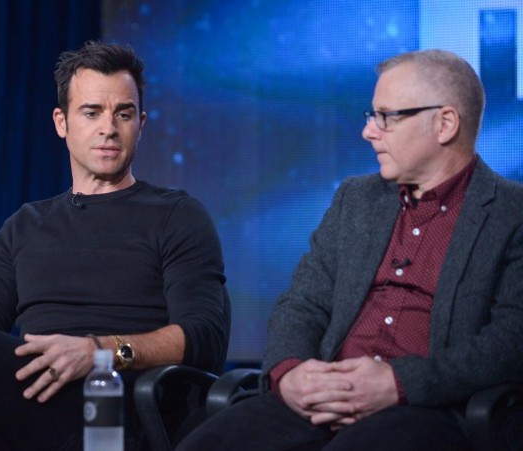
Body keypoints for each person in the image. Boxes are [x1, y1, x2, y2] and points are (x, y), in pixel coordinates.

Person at [0, 41, 228, 451]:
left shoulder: (176, 215)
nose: (109, 128)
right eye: (91, 112)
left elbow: (204, 336)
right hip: (33, 401)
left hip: (120, 402)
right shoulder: (26, 225)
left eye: (123, 114)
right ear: (61, 122)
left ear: (141, 123)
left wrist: (98, 352)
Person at [176, 49, 523, 450]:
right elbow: (302, 304)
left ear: (444, 124)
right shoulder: (356, 199)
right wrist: (291, 374)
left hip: (427, 409)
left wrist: (399, 383)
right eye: (370, 116)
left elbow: (510, 341)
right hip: (320, 399)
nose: (369, 132)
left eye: (387, 117)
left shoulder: (510, 213)